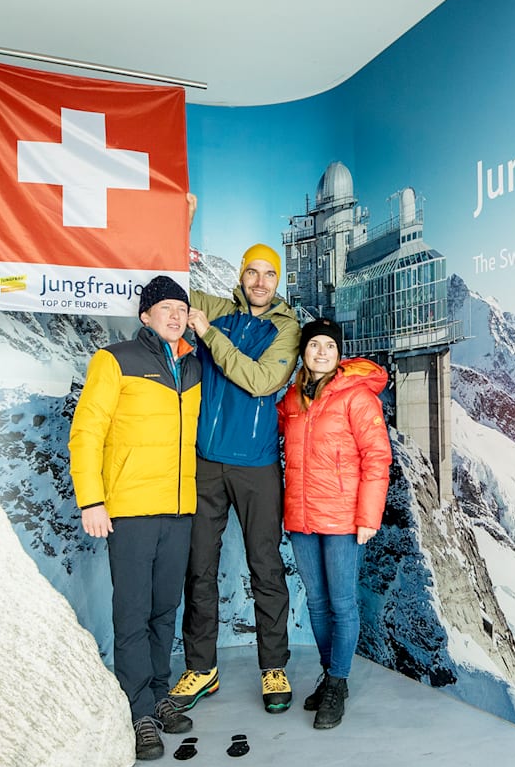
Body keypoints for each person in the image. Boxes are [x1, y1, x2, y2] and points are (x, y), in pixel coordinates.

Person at [67, 275, 202, 761]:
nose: (174, 315)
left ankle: (158, 694)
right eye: (164, 307)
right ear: (145, 315)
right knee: (132, 611)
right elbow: (86, 432)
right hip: (129, 508)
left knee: (165, 608)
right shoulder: (115, 360)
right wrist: (91, 500)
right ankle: (137, 708)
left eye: (180, 308)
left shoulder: (191, 365)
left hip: (179, 506)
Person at [166, 242, 303, 716]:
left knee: (265, 566)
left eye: (269, 274)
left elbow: (262, 380)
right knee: (198, 565)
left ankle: (274, 666)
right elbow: (170, 286)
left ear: (278, 280)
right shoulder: (218, 308)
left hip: (257, 464)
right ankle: (202, 667)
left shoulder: (286, 329)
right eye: (252, 272)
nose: (260, 282)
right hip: (206, 461)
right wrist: (179, 225)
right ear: (242, 276)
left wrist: (209, 336)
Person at [276, 318, 390, 729]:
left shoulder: (357, 398)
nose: (321, 351)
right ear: (303, 352)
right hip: (302, 518)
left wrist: (368, 517)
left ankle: (338, 683)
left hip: (343, 519)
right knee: (317, 603)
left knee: (342, 604)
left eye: (329, 345)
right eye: (314, 345)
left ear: (338, 354)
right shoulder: (292, 399)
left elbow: (377, 459)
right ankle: (329, 673)